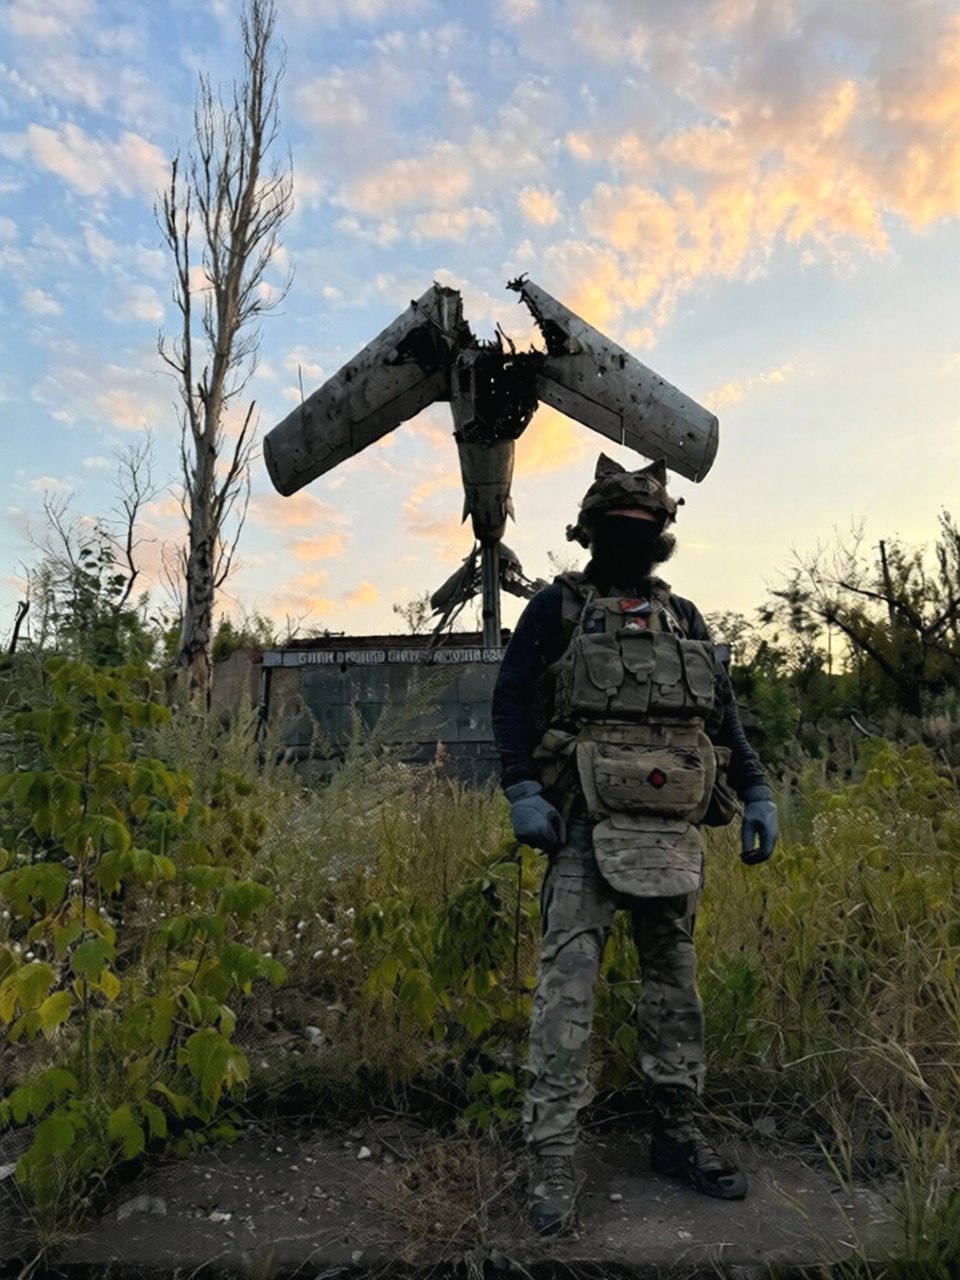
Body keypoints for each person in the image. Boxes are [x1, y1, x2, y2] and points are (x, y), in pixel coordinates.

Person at [492, 453, 778, 1237]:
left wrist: (755, 789)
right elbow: (511, 702)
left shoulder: (684, 618)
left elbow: (721, 718)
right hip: (583, 825)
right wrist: (521, 788)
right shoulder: (553, 610)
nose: (632, 539)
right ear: (590, 531)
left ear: (662, 539)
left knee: (673, 987)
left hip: (673, 831)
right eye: (619, 528)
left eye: (645, 529)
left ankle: (677, 1132)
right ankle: (552, 1151)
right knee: (567, 991)